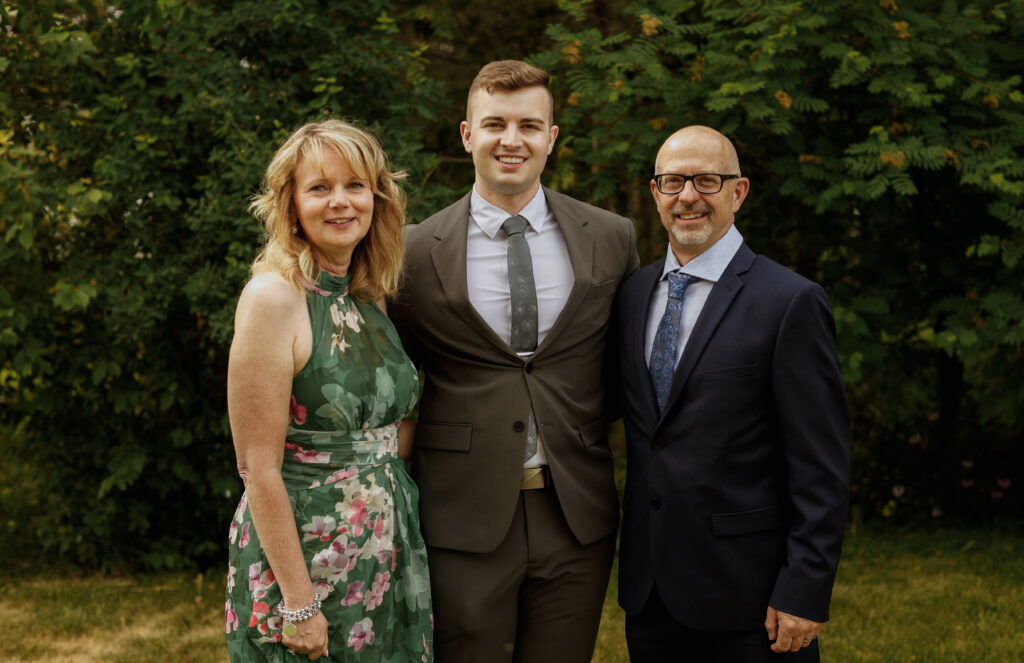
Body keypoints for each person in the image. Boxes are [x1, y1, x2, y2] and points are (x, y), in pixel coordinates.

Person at [388, 60, 639, 663]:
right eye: (494, 123)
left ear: (552, 138)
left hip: (576, 511)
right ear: (467, 134)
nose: (512, 139)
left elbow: (625, 361)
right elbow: (392, 379)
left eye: (530, 124)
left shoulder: (611, 236)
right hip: (461, 511)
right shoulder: (413, 250)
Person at [614, 125, 850, 662]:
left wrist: (804, 589)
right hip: (650, 597)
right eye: (673, 181)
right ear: (655, 193)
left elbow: (822, 466)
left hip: (752, 600)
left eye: (707, 180)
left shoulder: (790, 302)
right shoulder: (631, 296)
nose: (688, 196)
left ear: (738, 192)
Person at [224, 119, 433, 662]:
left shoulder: (367, 298)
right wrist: (297, 602)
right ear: (291, 204)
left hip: (385, 550)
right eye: (319, 188)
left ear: (376, 198)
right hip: (307, 561)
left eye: (354, 186)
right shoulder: (273, 299)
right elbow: (256, 466)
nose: (340, 202)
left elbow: (391, 428)